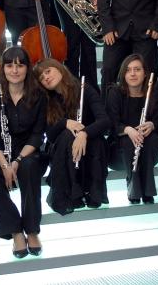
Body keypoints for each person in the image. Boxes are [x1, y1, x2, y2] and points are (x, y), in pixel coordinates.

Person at [0, 47, 48, 258]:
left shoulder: (38, 96)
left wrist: (15, 161)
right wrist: (5, 164)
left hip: (28, 152)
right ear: (3, 68)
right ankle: (16, 230)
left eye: (20, 65)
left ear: (27, 68)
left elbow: (37, 135)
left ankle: (32, 230)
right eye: (9, 65)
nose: (15, 70)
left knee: (29, 166)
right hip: (1, 153)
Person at [35, 58, 110, 215]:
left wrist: (84, 133)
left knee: (96, 141)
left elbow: (104, 121)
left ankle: (91, 193)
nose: (46, 78)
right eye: (41, 78)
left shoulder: (85, 90)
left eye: (48, 71)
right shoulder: (47, 101)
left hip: (88, 146)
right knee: (67, 136)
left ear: (60, 68)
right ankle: (71, 194)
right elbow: (50, 135)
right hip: (61, 149)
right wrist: (65, 123)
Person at [106, 54, 158, 204]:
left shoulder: (153, 94)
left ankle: (147, 190)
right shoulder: (114, 93)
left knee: (151, 139)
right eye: (128, 70)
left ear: (145, 73)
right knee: (127, 141)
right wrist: (127, 130)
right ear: (123, 74)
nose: (132, 74)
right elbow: (111, 125)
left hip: (147, 151)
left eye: (137, 69)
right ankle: (133, 187)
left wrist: (152, 125)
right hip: (119, 153)